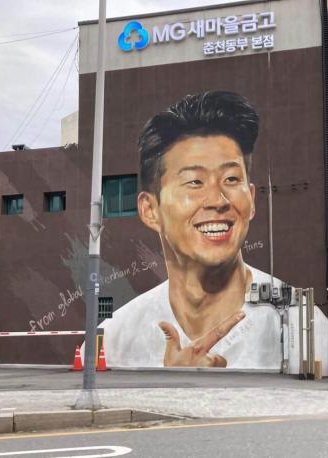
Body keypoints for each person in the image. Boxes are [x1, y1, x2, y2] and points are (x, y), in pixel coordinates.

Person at [100, 91, 282, 369]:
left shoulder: (296, 325)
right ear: (150, 209)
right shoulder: (114, 340)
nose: (218, 201)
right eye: (195, 182)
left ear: (252, 199)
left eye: (231, 179)